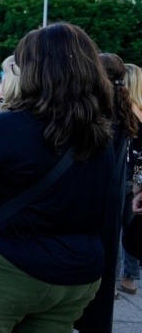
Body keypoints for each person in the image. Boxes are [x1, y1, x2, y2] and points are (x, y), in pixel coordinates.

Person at [0, 23, 116, 332]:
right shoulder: (101, 136)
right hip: (76, 275)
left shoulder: (9, 126)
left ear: (35, 71)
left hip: (2, 268)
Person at [75, 53, 136, 332]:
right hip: (114, 194)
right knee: (107, 259)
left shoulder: (94, 106)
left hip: (92, 194)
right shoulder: (124, 106)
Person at [119, 63, 142, 296]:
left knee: (113, 229)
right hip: (137, 175)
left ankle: (112, 279)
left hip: (120, 174)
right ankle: (130, 278)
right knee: (132, 226)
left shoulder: (119, 111)